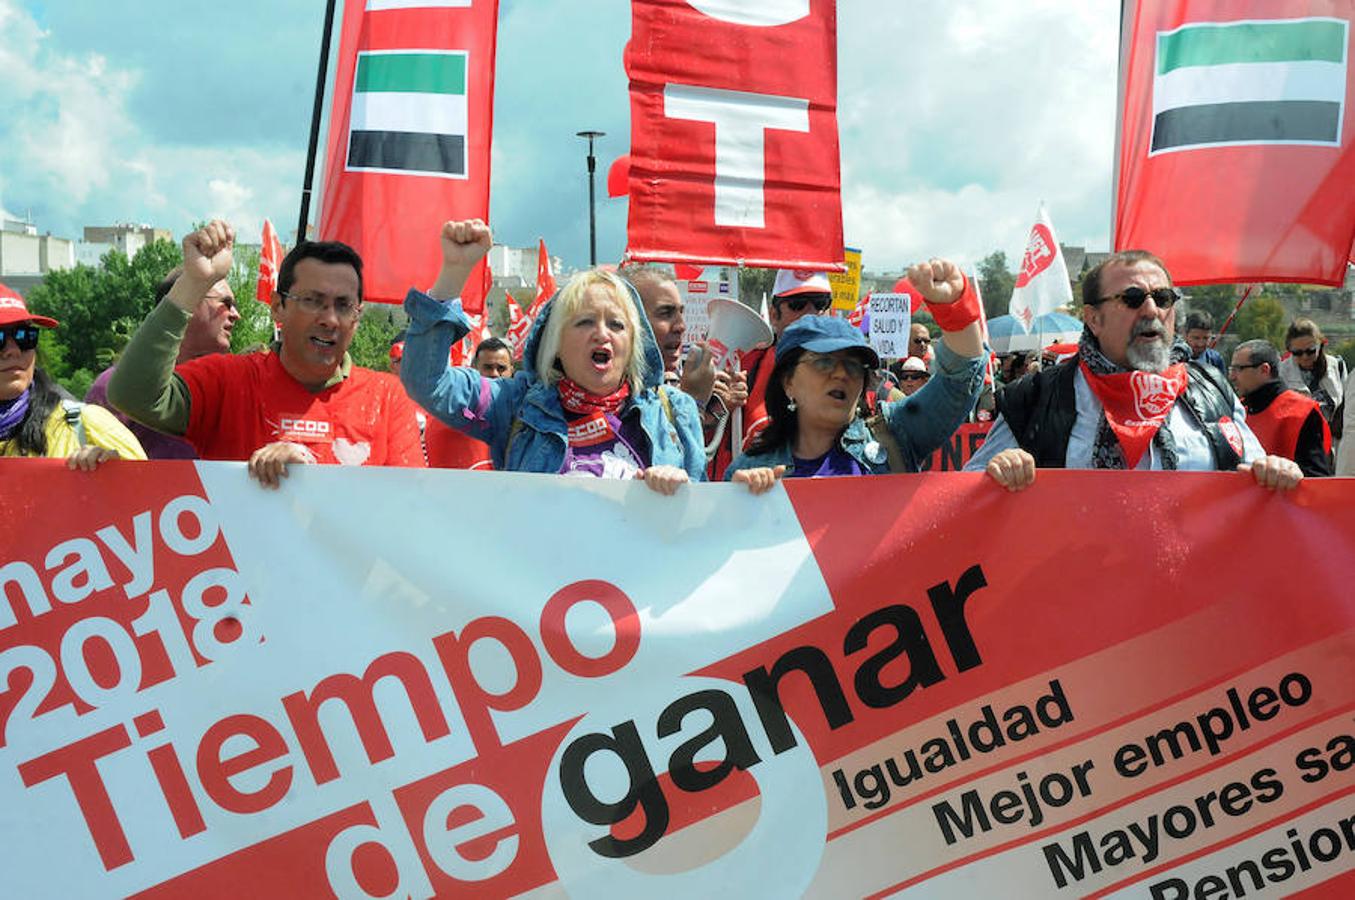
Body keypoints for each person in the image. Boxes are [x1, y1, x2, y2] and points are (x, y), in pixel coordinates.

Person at [108, 220, 424, 487]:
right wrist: (194, 283)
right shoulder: (227, 381)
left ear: (358, 316)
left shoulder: (388, 398)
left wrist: (309, 477)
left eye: (344, 306)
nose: (329, 319)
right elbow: (132, 394)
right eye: (312, 300)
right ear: (277, 307)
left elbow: (412, 506)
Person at [400, 220, 705, 494]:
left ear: (633, 344)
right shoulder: (514, 403)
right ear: (555, 342)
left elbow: (698, 528)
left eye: (616, 324)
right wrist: (454, 273)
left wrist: (676, 494)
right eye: (585, 322)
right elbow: (427, 381)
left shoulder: (675, 412)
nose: (603, 334)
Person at [966, 250, 1301, 492]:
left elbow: (1257, 473)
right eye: (1132, 298)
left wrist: (1275, 471)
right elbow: (968, 494)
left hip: (1195, 585)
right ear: (1094, 319)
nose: (1152, 309)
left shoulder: (1213, 389)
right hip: (1077, 584)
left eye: (1163, 297)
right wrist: (998, 474)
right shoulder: (1035, 397)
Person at [726, 258, 986, 492]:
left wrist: (954, 306)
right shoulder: (752, 468)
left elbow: (958, 381)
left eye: (853, 366)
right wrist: (735, 505)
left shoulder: (895, 436)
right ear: (788, 382)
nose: (841, 374)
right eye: (824, 362)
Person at [86, 266, 239, 459]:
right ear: (188, 300)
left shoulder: (237, 386)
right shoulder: (114, 387)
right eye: (226, 303)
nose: (235, 314)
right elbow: (91, 462)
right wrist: (103, 461)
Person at [0, 286, 146, 467]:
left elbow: (154, 491)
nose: (13, 351)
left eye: (24, 337)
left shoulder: (86, 425)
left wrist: (116, 475)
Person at [709, 268, 832, 480]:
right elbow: (705, 448)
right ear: (774, 315)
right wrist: (715, 411)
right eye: (797, 304)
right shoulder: (742, 365)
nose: (811, 313)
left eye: (821, 303)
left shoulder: (848, 371)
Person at [1229, 339, 1331, 476]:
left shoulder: (1302, 411)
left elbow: (1316, 479)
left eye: (1238, 369)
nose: (1232, 376)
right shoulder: (1237, 409)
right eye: (1231, 369)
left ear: (1264, 370)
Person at [423, 336, 517, 470]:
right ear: (474, 368)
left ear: (512, 371)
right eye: (488, 367)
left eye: (501, 368)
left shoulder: (525, 414)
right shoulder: (451, 410)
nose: (495, 374)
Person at [1278, 318, 1345, 443]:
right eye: (1298, 353)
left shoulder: (1337, 366)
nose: (1305, 357)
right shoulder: (1281, 373)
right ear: (1290, 350)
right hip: (1298, 444)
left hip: (1333, 444)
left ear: (1320, 345)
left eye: (1311, 351)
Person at [1182, 311, 1227, 380]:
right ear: (1185, 335)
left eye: (1206, 338)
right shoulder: (1176, 358)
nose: (1200, 344)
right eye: (1196, 338)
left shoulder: (1215, 359)